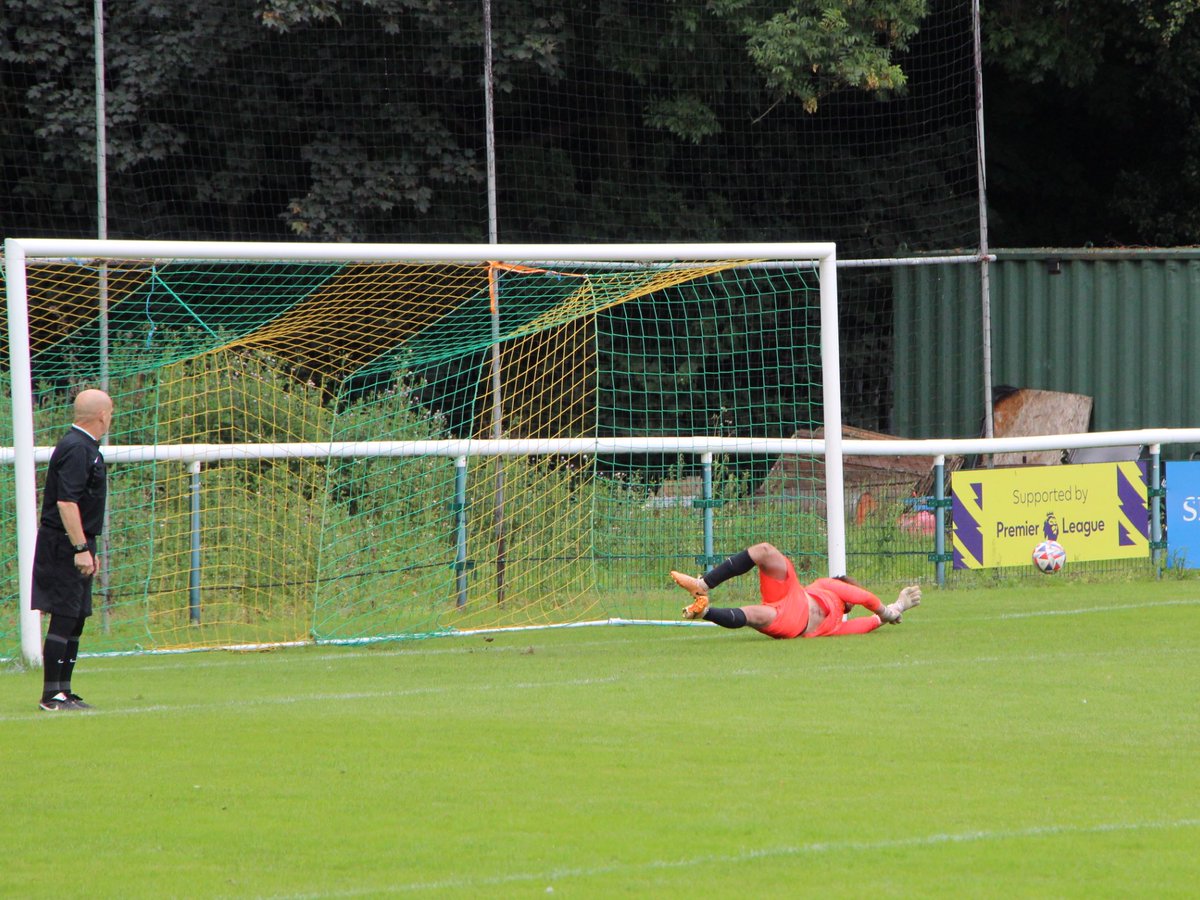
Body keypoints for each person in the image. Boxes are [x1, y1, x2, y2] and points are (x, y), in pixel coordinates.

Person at [32, 388, 113, 711]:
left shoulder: (86, 448)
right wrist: (80, 547)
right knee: (64, 615)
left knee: (76, 616)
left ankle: (64, 690)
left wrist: (89, 547)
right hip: (65, 543)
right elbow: (66, 502)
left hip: (80, 541)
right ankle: (51, 694)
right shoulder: (77, 448)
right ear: (102, 415)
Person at [670, 542, 921, 639]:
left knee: (755, 616)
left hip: (794, 623)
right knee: (765, 551)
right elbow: (865, 599)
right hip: (792, 594)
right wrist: (890, 610)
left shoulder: (836, 626)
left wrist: (899, 606)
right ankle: (702, 584)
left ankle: (702, 611)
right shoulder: (826, 586)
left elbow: (868, 623)